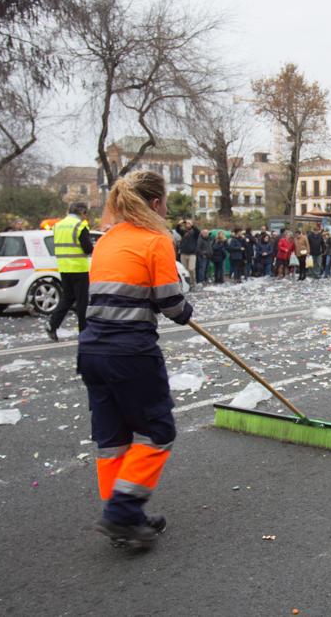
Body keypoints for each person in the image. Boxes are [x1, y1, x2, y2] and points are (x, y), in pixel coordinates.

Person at [78, 169, 191, 548]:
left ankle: (122, 518)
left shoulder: (107, 240)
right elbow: (171, 302)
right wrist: (185, 310)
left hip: (92, 350)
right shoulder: (156, 240)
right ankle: (122, 513)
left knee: (113, 439)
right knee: (158, 431)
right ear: (156, 203)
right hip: (130, 352)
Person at [47, 201, 94, 341]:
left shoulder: (58, 225)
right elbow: (87, 248)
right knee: (82, 301)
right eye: (86, 214)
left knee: (67, 298)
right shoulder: (80, 225)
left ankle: (52, 325)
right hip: (79, 268)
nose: (86, 217)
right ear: (82, 212)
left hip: (64, 267)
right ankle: (84, 331)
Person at [176, 220, 199, 286]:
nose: (187, 224)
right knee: (185, 270)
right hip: (183, 253)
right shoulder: (184, 232)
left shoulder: (195, 233)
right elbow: (177, 230)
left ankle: (193, 283)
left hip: (192, 254)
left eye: (189, 224)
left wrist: (192, 224)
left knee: (191, 269)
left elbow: (198, 231)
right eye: (187, 224)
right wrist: (179, 224)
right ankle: (187, 284)